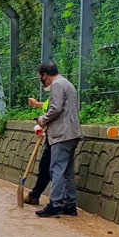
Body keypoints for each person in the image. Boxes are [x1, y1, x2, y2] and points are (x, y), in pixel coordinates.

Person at [34, 61, 81, 217]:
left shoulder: (57, 85)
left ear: (45, 75)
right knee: (67, 171)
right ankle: (70, 204)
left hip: (62, 135)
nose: (42, 81)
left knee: (56, 170)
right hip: (72, 133)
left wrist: (43, 120)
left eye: (41, 77)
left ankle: (56, 204)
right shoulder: (67, 83)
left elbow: (55, 109)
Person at [24, 96, 51, 206]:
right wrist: (36, 104)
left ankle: (35, 195)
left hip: (57, 138)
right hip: (54, 135)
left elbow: (54, 111)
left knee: (46, 168)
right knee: (47, 167)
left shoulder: (58, 88)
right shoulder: (56, 94)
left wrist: (42, 122)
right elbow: (48, 105)